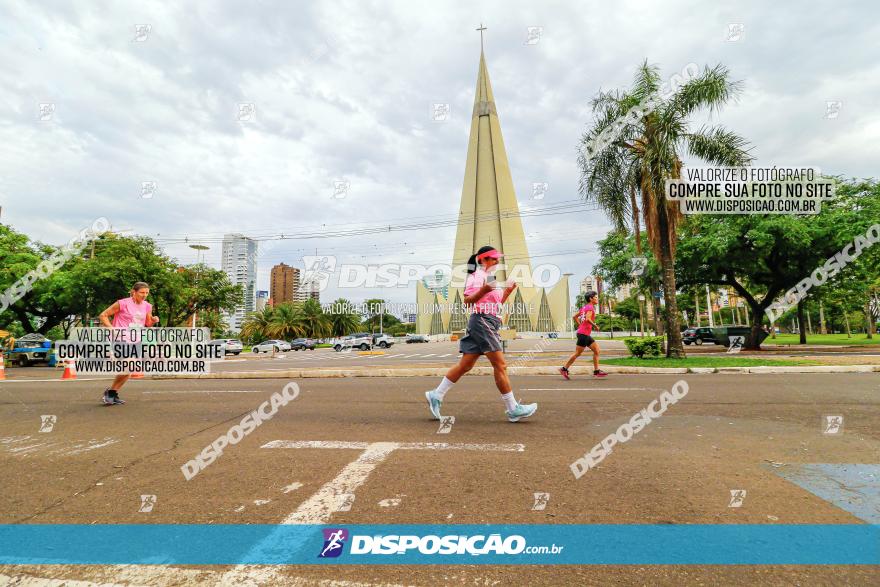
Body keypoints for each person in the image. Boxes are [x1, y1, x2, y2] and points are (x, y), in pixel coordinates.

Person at [424, 246, 538, 423]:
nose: (497, 261)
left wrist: (508, 291)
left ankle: (436, 394)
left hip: (488, 321)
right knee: (500, 364)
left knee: (465, 365)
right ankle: (513, 408)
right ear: (482, 260)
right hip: (482, 321)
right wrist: (484, 290)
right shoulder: (475, 276)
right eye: (493, 258)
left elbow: (497, 303)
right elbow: (467, 300)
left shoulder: (489, 277)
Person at [97, 282, 160, 405]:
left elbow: (147, 323)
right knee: (129, 364)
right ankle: (110, 394)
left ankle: (111, 393)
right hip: (121, 338)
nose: (144, 295)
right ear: (134, 292)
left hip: (136, 340)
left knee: (129, 369)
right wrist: (112, 329)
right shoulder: (123, 303)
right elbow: (103, 315)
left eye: (147, 293)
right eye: (142, 292)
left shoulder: (147, 306)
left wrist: (153, 320)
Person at [560, 290, 607, 379]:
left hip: (584, 334)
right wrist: (595, 326)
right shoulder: (590, 307)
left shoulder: (584, 308)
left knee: (597, 350)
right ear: (591, 298)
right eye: (596, 297)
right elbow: (588, 319)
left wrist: (580, 325)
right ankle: (564, 369)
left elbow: (575, 317)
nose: (597, 299)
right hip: (583, 334)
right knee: (577, 353)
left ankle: (597, 371)